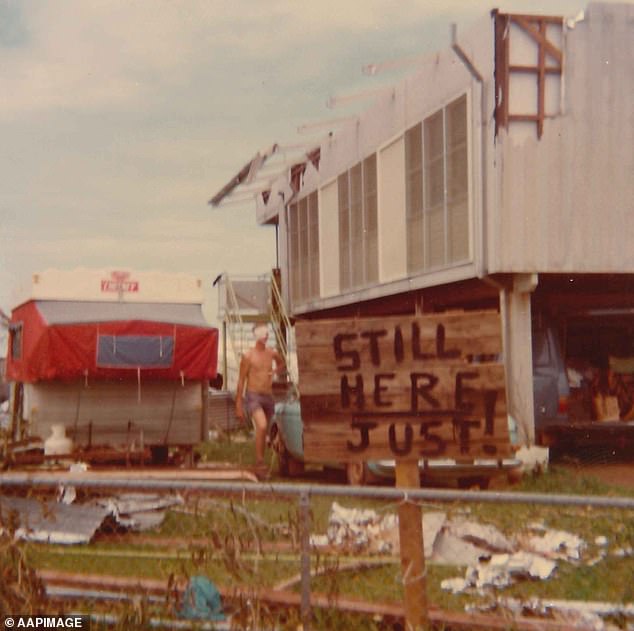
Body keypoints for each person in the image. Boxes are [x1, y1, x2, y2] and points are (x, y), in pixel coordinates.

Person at [235, 324, 285, 477]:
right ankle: (260, 462)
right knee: (262, 426)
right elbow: (241, 380)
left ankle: (267, 458)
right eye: (263, 334)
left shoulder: (271, 353)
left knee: (268, 432)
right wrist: (238, 403)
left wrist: (275, 371)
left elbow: (282, 363)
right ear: (257, 336)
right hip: (253, 396)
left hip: (268, 397)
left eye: (267, 333)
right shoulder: (248, 356)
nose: (266, 336)